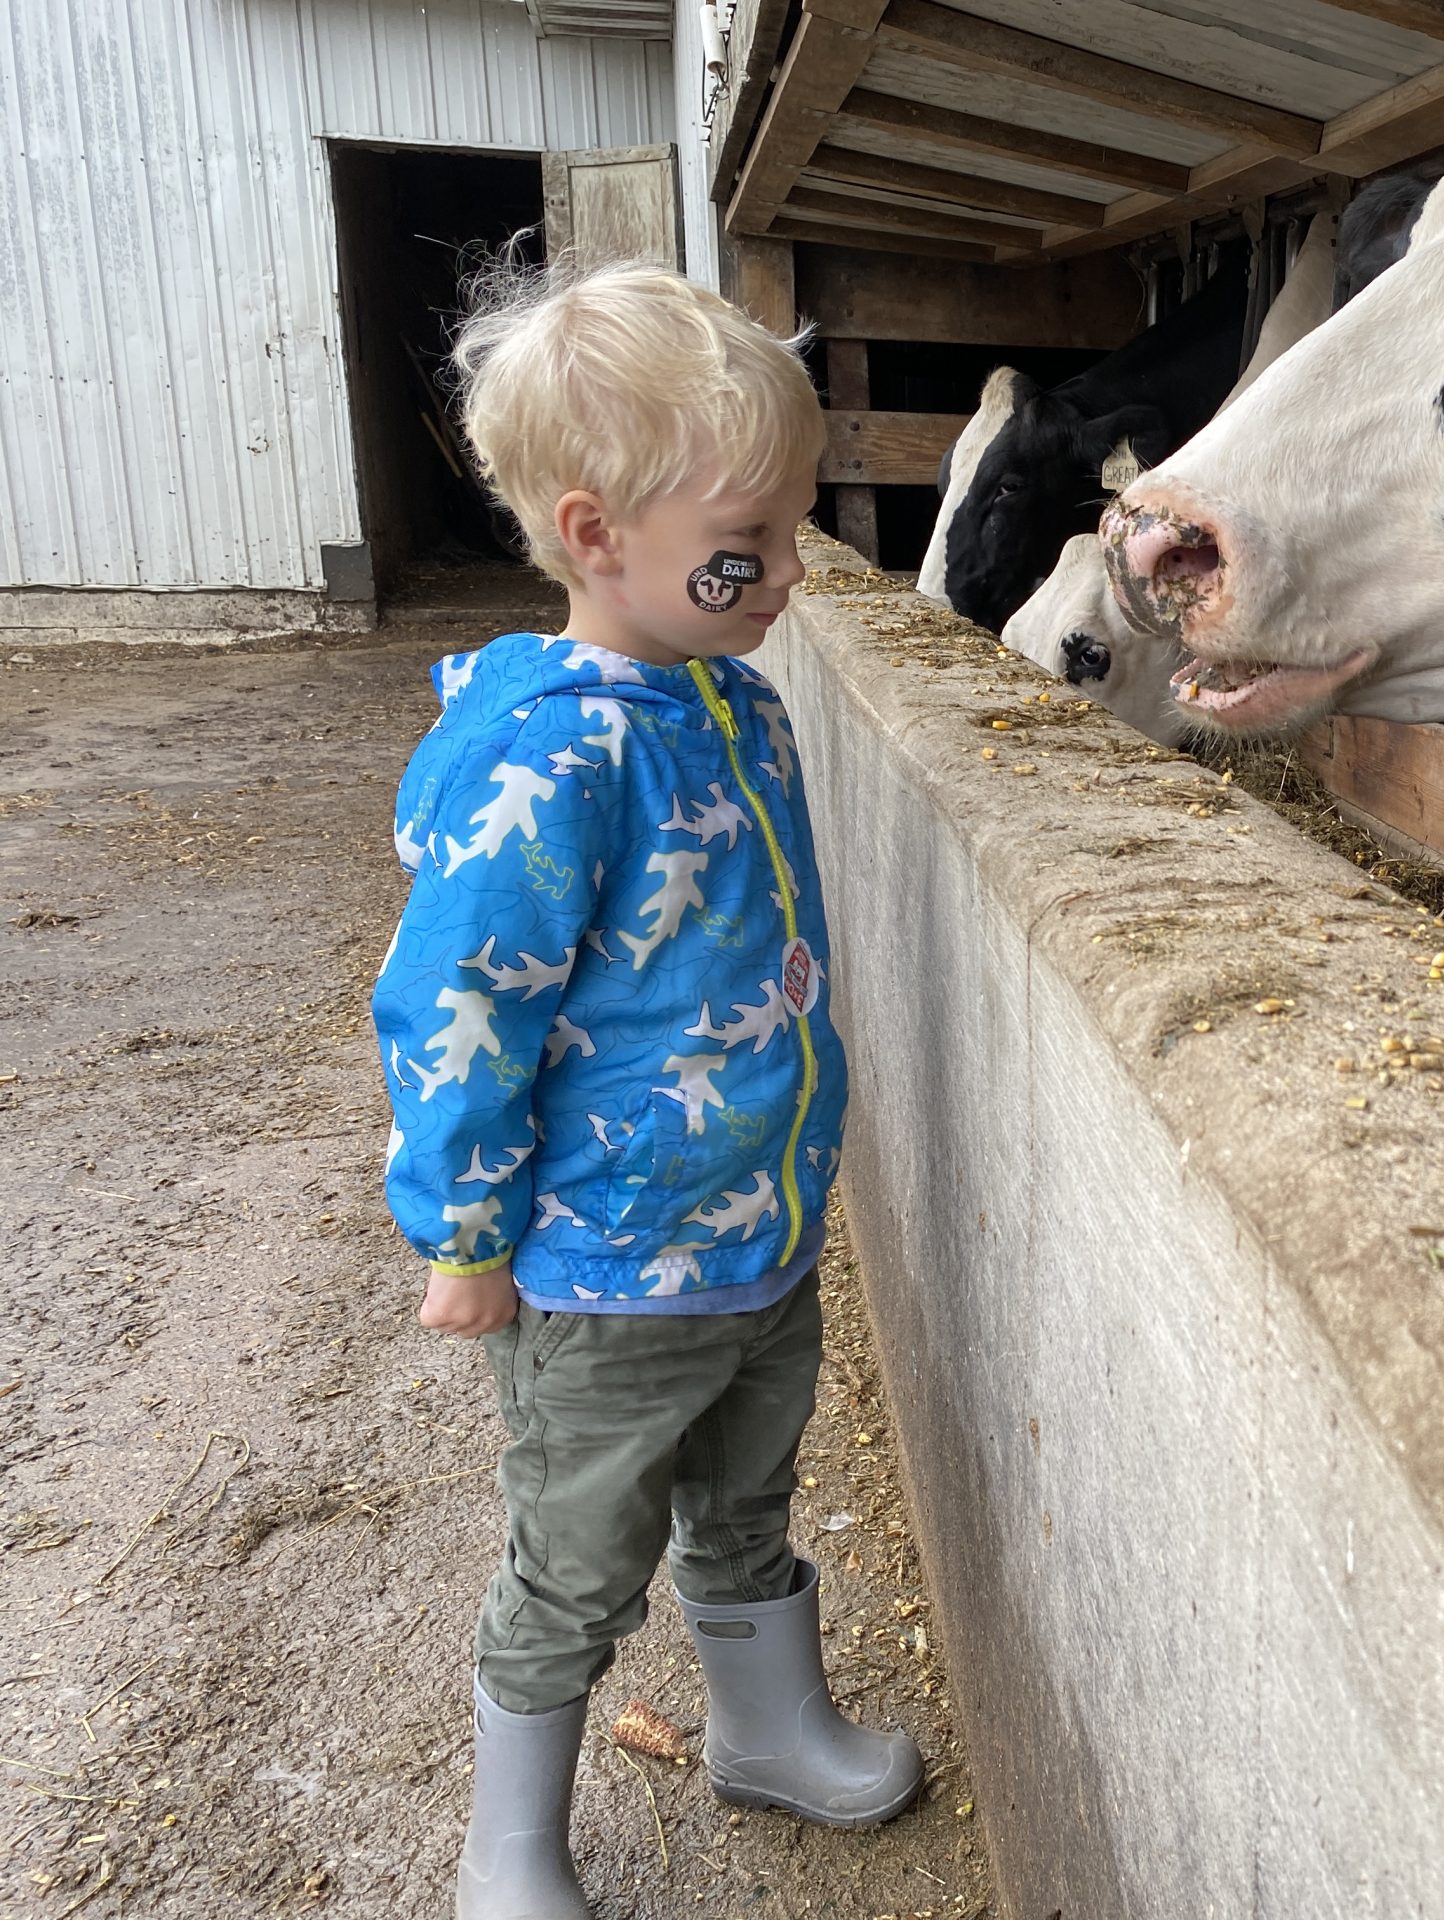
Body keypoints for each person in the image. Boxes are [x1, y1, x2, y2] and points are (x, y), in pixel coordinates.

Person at [371, 261, 918, 1920]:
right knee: (581, 1557)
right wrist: (463, 1233)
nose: (793, 566)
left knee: (749, 1497)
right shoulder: (551, 752)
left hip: (755, 1234)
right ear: (597, 532)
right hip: (607, 1269)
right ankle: (510, 1848)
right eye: (752, 536)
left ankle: (765, 1729)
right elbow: (460, 1002)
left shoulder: (727, 700)